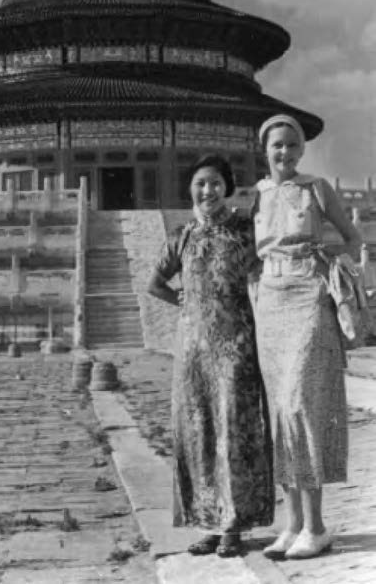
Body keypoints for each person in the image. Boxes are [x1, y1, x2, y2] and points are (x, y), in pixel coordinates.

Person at [148, 154, 274, 558]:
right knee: (199, 433)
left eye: (216, 183)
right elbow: (154, 283)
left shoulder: (243, 231)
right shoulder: (182, 236)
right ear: (190, 189)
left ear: (228, 187)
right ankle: (207, 523)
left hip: (235, 344)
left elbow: (265, 270)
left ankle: (233, 524)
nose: (208, 191)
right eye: (201, 183)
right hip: (193, 351)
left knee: (234, 432)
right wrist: (178, 297)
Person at [253, 114, 362, 560]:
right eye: (276, 145)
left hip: (308, 301)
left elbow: (353, 238)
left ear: (301, 150)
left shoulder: (316, 188)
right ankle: (292, 523)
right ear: (265, 150)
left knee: (303, 405)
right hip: (270, 306)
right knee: (280, 412)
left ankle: (317, 526)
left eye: (291, 146)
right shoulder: (256, 196)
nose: (284, 153)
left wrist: (326, 261)